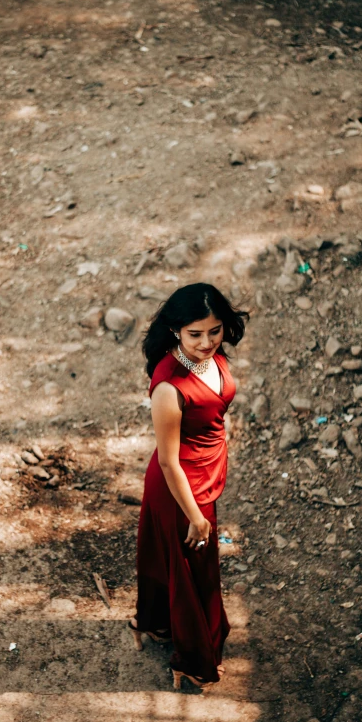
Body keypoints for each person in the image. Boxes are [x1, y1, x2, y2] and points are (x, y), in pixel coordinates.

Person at [129, 283, 248, 689]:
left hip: (205, 472)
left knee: (183, 567)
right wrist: (195, 518)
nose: (206, 342)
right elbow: (166, 460)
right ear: (176, 331)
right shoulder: (168, 387)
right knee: (196, 573)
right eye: (195, 334)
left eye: (214, 331)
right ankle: (194, 660)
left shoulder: (212, 356)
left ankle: (158, 625)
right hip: (181, 490)